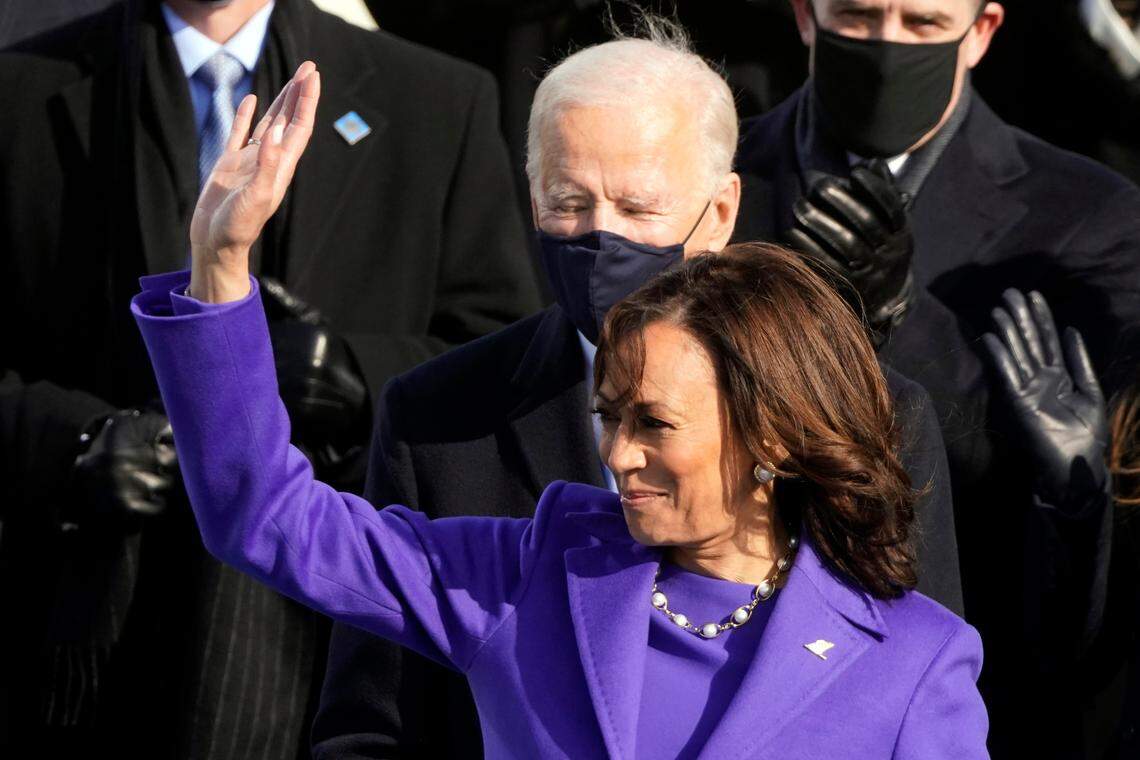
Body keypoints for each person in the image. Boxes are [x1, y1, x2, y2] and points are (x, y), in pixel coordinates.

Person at [129, 64, 989, 757]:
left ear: (770, 434)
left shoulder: (912, 661)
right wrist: (219, 267)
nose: (615, 455)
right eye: (609, 418)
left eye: (653, 424)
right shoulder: (529, 574)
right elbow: (266, 518)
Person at [0, 0, 538, 755]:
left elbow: (502, 350)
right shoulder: (18, 89)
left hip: (330, 636)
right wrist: (68, 441)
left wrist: (355, 371)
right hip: (82, 640)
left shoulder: (440, 98)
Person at [730, 1, 1140, 754]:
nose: (888, 48)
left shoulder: (1091, 216)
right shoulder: (710, 184)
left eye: (921, 25)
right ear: (803, 15)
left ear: (981, 31)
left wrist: (900, 320)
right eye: (858, 16)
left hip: (973, 695)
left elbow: (1083, 529)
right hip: (732, 682)